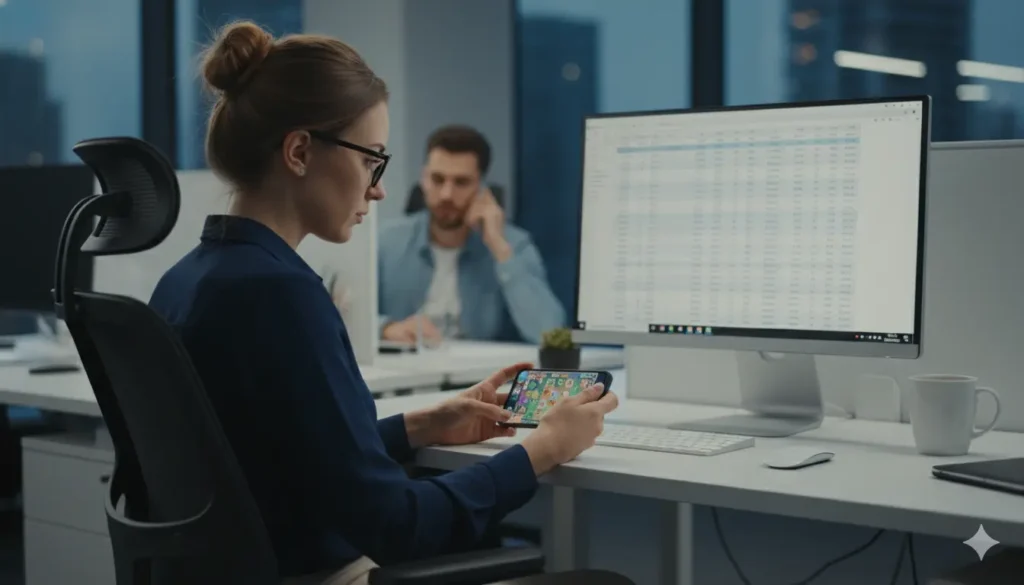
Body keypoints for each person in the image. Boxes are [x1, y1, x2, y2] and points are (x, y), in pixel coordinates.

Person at [147, 21, 618, 585]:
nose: (379, 189)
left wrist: (420, 424)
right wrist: (542, 450)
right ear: (299, 151)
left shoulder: (188, 281)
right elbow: (400, 526)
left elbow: (289, 456)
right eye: (371, 159)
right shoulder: (281, 294)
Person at [377, 125, 565, 345]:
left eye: (461, 182)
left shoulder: (512, 244)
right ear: (423, 179)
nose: (447, 194)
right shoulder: (388, 241)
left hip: (481, 376)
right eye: (438, 179)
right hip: (406, 374)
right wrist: (386, 328)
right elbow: (345, 318)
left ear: (482, 187)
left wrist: (499, 248)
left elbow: (549, 333)